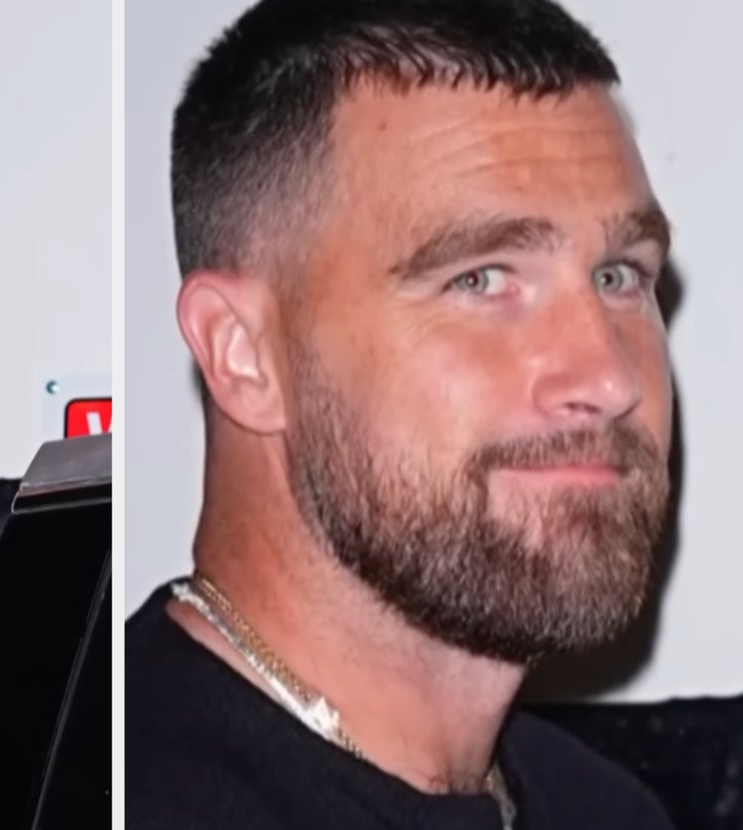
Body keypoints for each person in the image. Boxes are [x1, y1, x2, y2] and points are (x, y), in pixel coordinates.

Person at [127, 0, 678, 827]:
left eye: (619, 277)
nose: (607, 376)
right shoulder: (103, 788)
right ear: (244, 353)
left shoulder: (609, 809)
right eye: (482, 278)